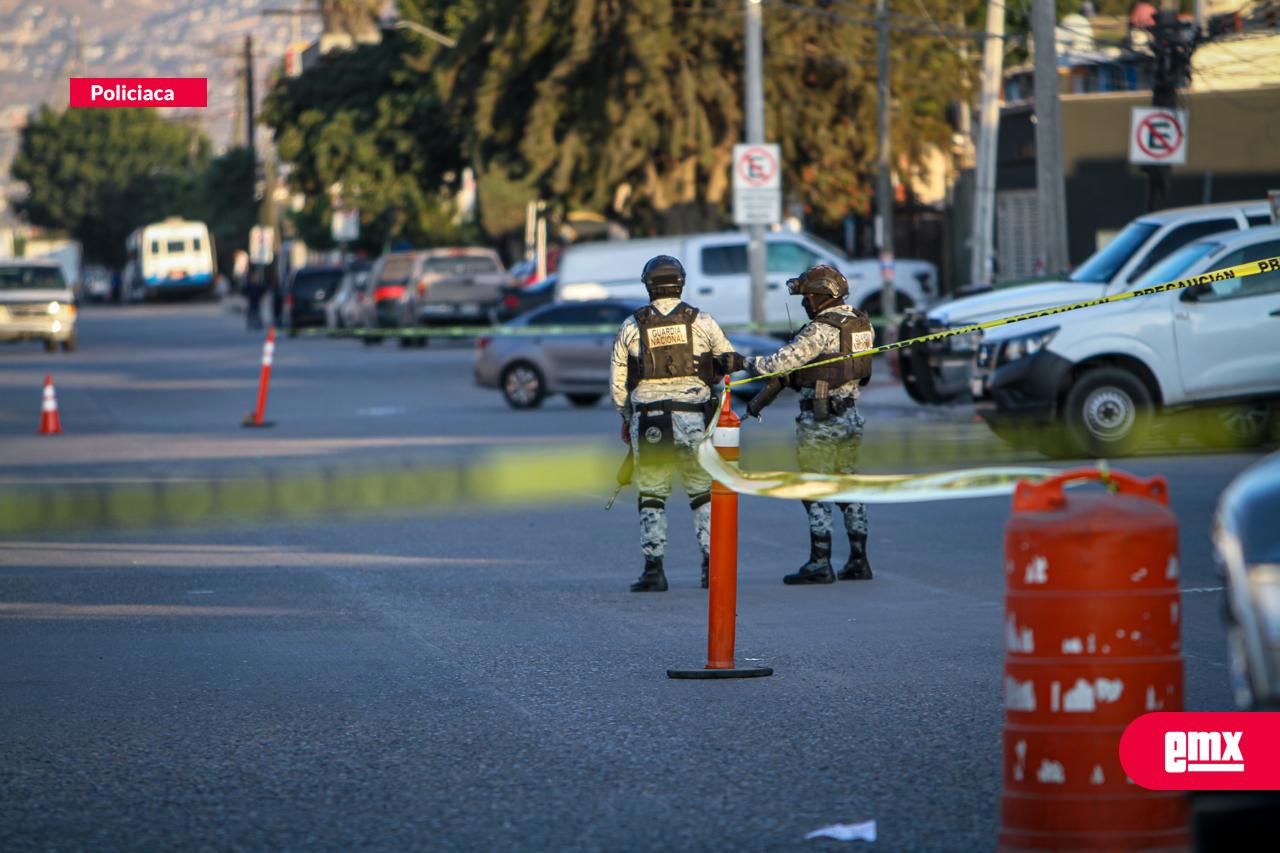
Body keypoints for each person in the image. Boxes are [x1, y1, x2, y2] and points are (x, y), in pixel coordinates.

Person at [609, 255, 739, 592]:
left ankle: (654, 571)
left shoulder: (631, 325)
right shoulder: (702, 322)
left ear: (648, 285)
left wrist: (627, 418)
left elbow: (618, 383)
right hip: (694, 417)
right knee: (701, 493)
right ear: (680, 282)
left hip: (649, 419)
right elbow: (725, 365)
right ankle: (711, 567)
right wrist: (714, 409)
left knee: (652, 495)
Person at [741, 264, 875, 585]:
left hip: (820, 419)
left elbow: (779, 363)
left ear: (820, 297)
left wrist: (742, 362)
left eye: (807, 296)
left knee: (814, 488)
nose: (804, 303)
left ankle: (820, 562)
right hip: (851, 415)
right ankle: (859, 560)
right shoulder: (862, 324)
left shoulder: (820, 329)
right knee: (848, 485)